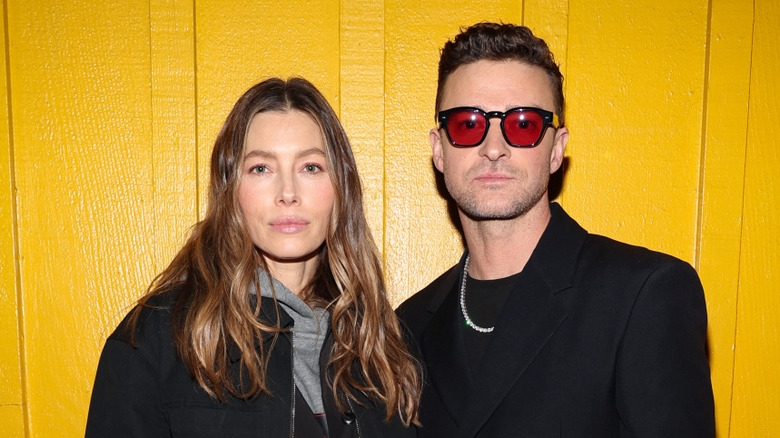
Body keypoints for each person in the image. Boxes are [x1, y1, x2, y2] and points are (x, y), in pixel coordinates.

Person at [396, 22, 715, 437]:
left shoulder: (643, 295)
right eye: (468, 124)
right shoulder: (405, 328)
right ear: (439, 150)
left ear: (556, 149)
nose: (494, 148)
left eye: (523, 124)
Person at [86, 77, 421, 437]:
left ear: (341, 186)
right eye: (261, 168)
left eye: (311, 167)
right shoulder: (155, 340)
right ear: (232, 189)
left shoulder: (383, 347)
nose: (288, 193)